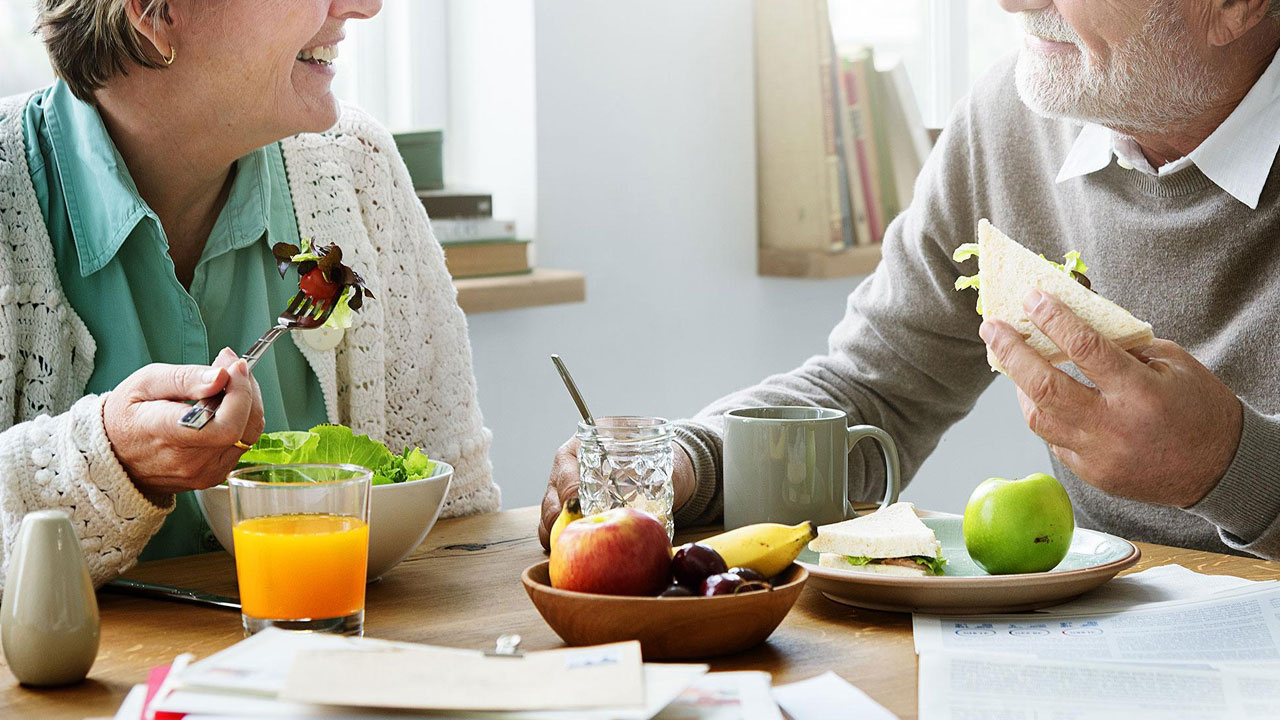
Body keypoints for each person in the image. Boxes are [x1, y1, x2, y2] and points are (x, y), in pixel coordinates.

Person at [541, 0, 1280, 560]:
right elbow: (875, 390)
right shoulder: (1011, 121)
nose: (1010, 1)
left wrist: (1230, 465)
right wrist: (691, 459)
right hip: (1101, 649)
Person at [0, 0, 500, 587]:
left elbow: (456, 526)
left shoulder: (358, 170)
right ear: (154, 13)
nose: (365, 6)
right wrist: (106, 459)